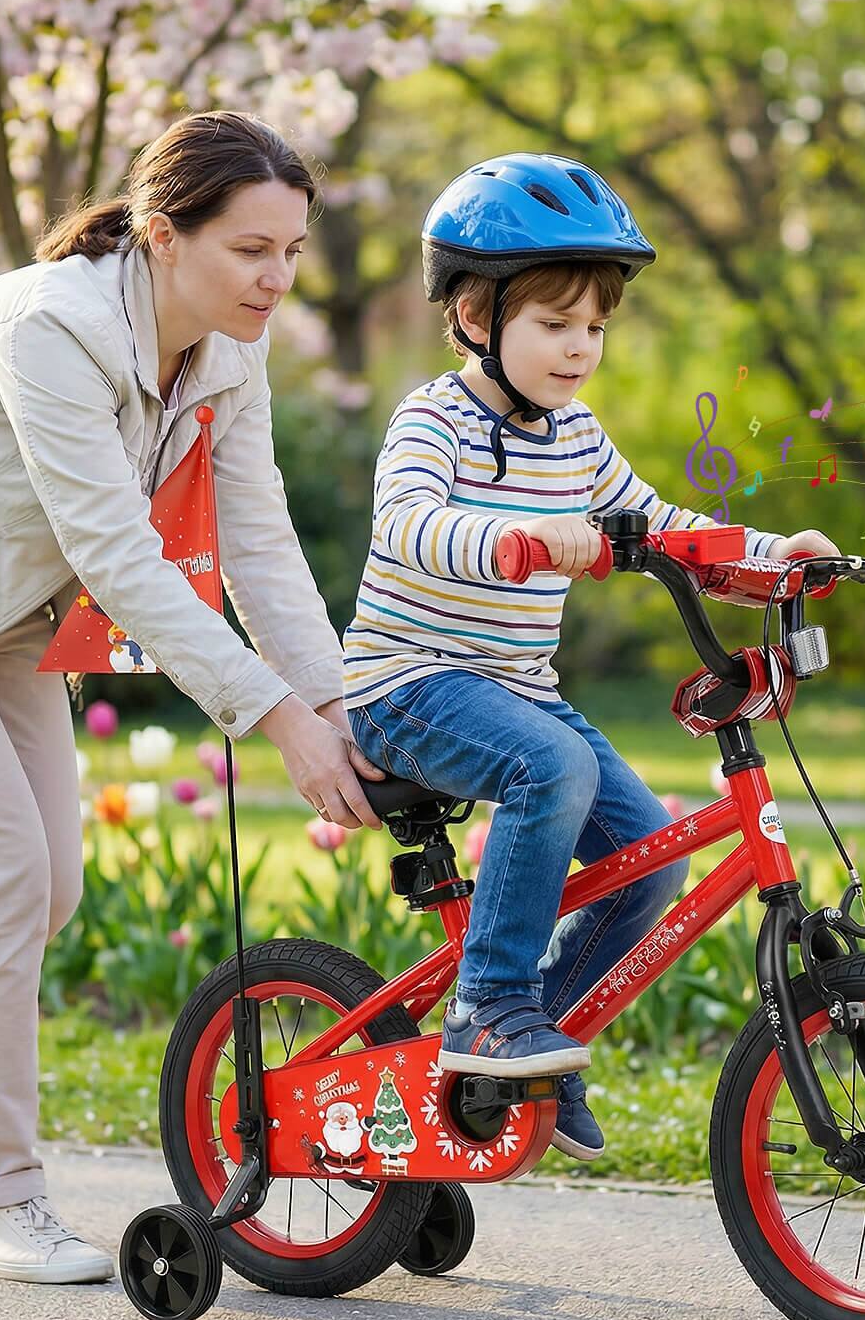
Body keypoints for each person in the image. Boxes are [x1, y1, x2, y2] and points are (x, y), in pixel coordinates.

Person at [0, 110, 386, 1284]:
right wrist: (267, 716)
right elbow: (119, 555)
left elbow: (258, 541)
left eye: (292, 250)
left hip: (1, 599)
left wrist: (330, 702)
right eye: (252, 248)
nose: (278, 277)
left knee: (46, 882)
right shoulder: (55, 327)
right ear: (162, 236)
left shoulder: (226, 359)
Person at [342, 153, 839, 1160]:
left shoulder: (575, 436)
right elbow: (406, 523)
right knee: (552, 766)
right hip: (406, 684)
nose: (579, 349)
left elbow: (658, 523)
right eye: (554, 324)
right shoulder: (432, 418)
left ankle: (540, 1045)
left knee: (641, 859)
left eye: (595, 328)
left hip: (516, 689)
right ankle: (490, 1007)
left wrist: (764, 557)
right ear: (476, 316)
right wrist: (512, 540)